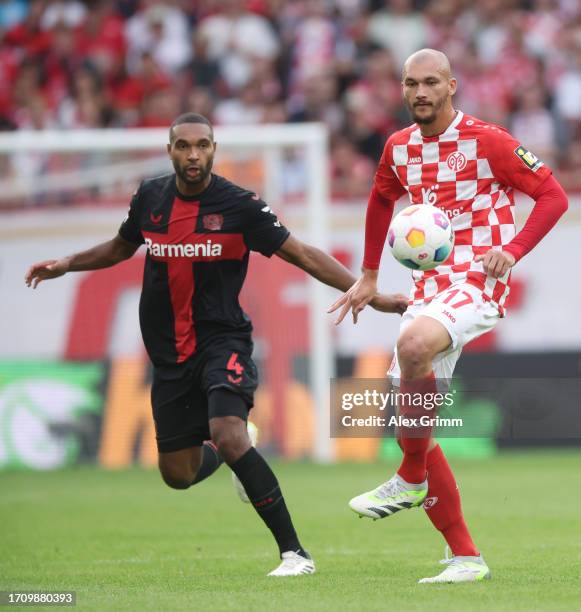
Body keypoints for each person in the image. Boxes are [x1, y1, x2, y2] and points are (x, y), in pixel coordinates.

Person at [25, 112, 407, 577]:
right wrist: (67, 263)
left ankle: (294, 554)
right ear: (169, 151)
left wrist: (372, 293)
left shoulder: (239, 206)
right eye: (183, 146)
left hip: (221, 341)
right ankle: (238, 452)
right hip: (168, 354)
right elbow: (121, 247)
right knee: (177, 475)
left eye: (202, 145)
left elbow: (302, 253)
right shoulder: (149, 198)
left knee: (226, 432)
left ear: (213, 149)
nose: (193, 155)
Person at [329, 49, 568, 584]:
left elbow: (552, 196)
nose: (420, 92)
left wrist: (514, 250)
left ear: (452, 86)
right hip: (428, 289)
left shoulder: (489, 141)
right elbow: (379, 200)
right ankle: (465, 557)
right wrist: (368, 274)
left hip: (480, 281)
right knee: (417, 423)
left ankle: (410, 476)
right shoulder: (398, 147)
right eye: (411, 83)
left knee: (413, 349)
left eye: (431, 82)